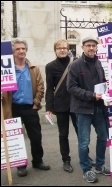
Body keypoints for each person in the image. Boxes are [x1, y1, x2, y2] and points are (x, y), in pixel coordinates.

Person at [2, 38, 50, 177]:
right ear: (12, 52)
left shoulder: (33, 68)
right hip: (13, 108)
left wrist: (36, 102)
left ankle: (38, 161)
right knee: (17, 138)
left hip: (30, 108)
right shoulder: (6, 69)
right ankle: (21, 166)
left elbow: (41, 86)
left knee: (36, 136)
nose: (21, 51)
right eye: (18, 49)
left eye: (23, 48)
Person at [66, 36, 110, 183]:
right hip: (83, 110)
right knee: (84, 142)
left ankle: (100, 164)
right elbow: (71, 87)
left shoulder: (98, 63)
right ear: (83, 47)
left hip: (99, 108)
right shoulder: (75, 65)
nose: (91, 48)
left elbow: (102, 82)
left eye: (93, 46)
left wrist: (106, 91)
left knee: (103, 137)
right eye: (88, 45)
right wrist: (91, 95)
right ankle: (86, 169)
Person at [45, 39, 78, 173]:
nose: (62, 50)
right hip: (60, 105)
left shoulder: (76, 63)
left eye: (65, 48)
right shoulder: (50, 66)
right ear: (55, 50)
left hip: (76, 104)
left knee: (81, 133)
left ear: (68, 49)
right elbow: (49, 89)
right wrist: (49, 108)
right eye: (59, 48)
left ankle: (85, 156)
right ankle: (66, 160)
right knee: (63, 134)